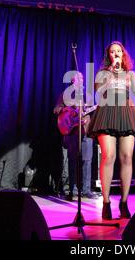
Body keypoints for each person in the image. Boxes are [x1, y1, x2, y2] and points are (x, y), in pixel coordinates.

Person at [87, 41, 135, 219]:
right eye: (112, 51)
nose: (116, 54)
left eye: (119, 51)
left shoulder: (130, 74)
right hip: (107, 111)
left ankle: (124, 203)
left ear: (123, 54)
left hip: (126, 112)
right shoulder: (103, 73)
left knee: (126, 157)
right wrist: (111, 72)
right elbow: (98, 90)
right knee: (108, 156)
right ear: (108, 55)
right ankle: (106, 202)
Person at [54, 72, 98, 200]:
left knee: (88, 160)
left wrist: (86, 118)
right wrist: (68, 110)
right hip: (73, 132)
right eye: (79, 78)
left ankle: (86, 190)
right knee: (72, 160)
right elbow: (56, 109)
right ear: (73, 81)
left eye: (83, 78)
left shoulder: (87, 96)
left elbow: (90, 112)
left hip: (86, 131)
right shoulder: (66, 95)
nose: (82, 80)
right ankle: (71, 190)